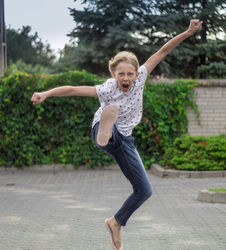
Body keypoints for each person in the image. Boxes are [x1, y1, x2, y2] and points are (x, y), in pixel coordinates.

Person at [31, 19, 202, 250]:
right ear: (113, 73)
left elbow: (163, 51)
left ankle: (115, 222)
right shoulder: (107, 88)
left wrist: (188, 32)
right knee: (110, 121)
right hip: (103, 131)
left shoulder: (142, 76)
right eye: (120, 74)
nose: (125, 78)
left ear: (136, 73)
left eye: (130, 74)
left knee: (144, 190)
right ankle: (106, 130)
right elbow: (73, 89)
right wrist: (46, 93)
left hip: (126, 140)